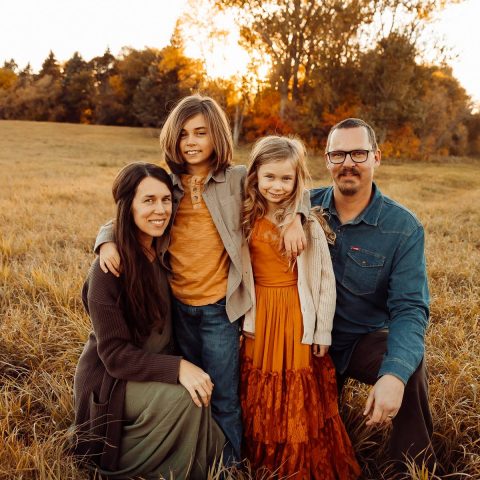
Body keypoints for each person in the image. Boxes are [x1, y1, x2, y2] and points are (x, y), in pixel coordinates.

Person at [94, 94, 307, 463]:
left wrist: (297, 219)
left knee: (223, 395)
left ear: (216, 137)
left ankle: (229, 466)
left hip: (219, 310)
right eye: (183, 134)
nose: (191, 142)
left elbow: (287, 186)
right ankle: (198, 460)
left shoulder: (237, 179)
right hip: (178, 307)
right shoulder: (169, 182)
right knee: (195, 393)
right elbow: (130, 213)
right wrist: (104, 240)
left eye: (200, 133)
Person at [73, 162, 224, 479]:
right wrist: (179, 367)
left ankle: (204, 459)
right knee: (187, 398)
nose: (160, 210)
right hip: (113, 379)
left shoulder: (167, 246)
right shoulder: (108, 270)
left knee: (208, 396)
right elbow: (114, 356)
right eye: (149, 200)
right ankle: (143, 466)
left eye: (166, 199)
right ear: (128, 207)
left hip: (154, 361)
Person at [310, 118, 435, 474]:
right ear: (327, 159)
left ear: (376, 157)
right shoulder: (301, 207)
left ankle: (412, 467)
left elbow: (410, 309)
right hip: (304, 341)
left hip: (361, 339)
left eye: (359, 153)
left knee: (408, 366)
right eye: (338, 153)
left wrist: (393, 375)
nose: (348, 162)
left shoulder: (403, 227)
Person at [240, 136, 361, 479]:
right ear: (255, 177)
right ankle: (262, 461)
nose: (277, 186)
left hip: (295, 314)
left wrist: (322, 329)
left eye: (286, 179)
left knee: (293, 386)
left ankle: (295, 465)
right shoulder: (246, 213)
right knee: (258, 384)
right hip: (259, 314)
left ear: (297, 181)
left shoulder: (307, 224)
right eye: (269, 177)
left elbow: (324, 281)